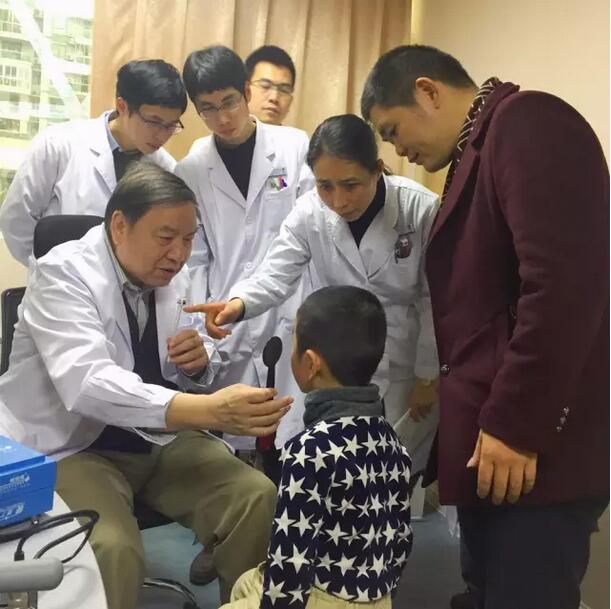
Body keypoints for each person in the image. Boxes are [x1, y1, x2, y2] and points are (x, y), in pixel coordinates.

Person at [361, 44, 609, 609]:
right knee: (487, 592)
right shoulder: (477, 149)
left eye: (393, 130)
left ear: (427, 91)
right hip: (495, 446)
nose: (398, 150)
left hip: (531, 449)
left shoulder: (529, 123)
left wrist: (517, 425)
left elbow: (564, 287)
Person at [0, 163, 292, 609]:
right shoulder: (62, 273)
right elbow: (87, 382)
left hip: (153, 437)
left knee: (256, 497)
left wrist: (198, 362)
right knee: (112, 548)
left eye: (189, 239)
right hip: (74, 445)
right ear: (119, 226)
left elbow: (184, 358)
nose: (179, 254)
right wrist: (210, 410)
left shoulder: (173, 276)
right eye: (166, 237)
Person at [186, 114, 439, 476]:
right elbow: (275, 273)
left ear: (377, 170)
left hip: (406, 364)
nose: (338, 200)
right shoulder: (309, 212)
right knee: (338, 471)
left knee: (398, 472)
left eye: (350, 185)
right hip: (338, 365)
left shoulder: (420, 209)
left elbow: (434, 300)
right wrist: (238, 305)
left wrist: (428, 376)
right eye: (325, 186)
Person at [220, 286, 413, 609]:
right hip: (379, 596)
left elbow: (290, 561)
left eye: (293, 342)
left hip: (320, 596)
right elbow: (402, 540)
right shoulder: (391, 440)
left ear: (310, 364)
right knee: (246, 583)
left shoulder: (308, 449)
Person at [176, 45, 314, 456]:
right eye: (208, 108)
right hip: (225, 318)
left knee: (295, 441)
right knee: (233, 445)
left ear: (247, 92)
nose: (222, 117)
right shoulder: (190, 170)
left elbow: (311, 233)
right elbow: (194, 261)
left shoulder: (294, 148)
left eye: (230, 102)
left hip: (291, 309)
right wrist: (200, 332)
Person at [0, 59, 186, 266]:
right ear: (122, 106)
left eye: (171, 125)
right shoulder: (58, 145)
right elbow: (16, 222)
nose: (162, 135)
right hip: (59, 279)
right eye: (153, 122)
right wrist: (47, 271)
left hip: (132, 283)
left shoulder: (167, 169)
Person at [245, 45, 296, 125]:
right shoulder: (225, 130)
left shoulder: (296, 134)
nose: (274, 98)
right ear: (245, 90)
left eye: (284, 90)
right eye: (265, 86)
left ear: (290, 101)